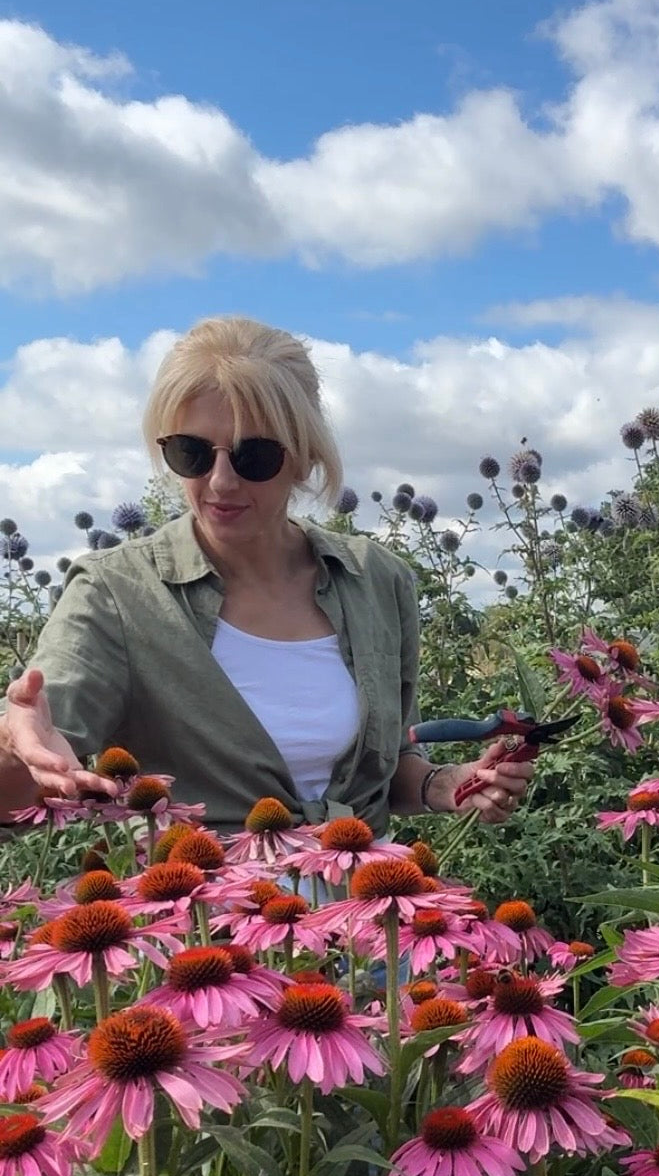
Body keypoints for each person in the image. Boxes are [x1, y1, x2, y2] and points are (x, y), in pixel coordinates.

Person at [0, 316, 531, 830]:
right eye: (192, 453)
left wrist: (447, 783)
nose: (221, 481)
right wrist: (14, 747)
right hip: (202, 916)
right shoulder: (115, 595)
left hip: (369, 912)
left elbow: (388, 767)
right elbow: (31, 779)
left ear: (304, 457)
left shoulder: (376, 580)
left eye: (255, 456)